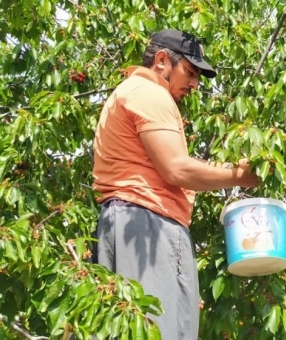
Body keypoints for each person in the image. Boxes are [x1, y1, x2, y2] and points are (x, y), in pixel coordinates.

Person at [90, 29, 260, 339]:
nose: (195, 84)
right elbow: (177, 170)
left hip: (138, 221)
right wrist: (244, 174)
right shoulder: (149, 92)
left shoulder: (132, 92)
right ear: (162, 61)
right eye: (190, 72)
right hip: (145, 223)